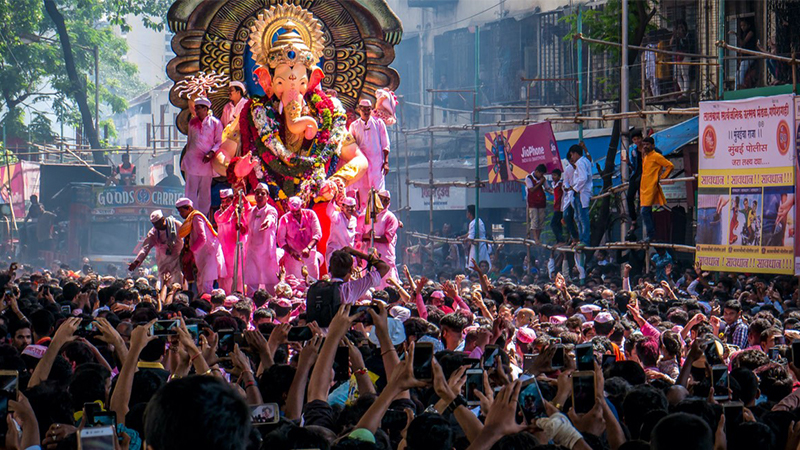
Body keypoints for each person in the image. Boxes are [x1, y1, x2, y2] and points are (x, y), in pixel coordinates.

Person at [181, 97, 222, 216]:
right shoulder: (192, 123)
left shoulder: (215, 123)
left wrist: (212, 152)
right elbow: (189, 141)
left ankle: (202, 217)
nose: (197, 111)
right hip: (192, 161)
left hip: (206, 162)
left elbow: (219, 141)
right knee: (190, 191)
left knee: (205, 192)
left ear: (206, 109)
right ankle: (191, 216)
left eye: (199, 108)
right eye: (196, 108)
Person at [176, 197, 226, 294]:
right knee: (201, 284)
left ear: (189, 209)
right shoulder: (192, 218)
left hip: (209, 254)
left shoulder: (196, 217)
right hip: (203, 256)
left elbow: (202, 238)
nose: (181, 215)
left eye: (182, 211)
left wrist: (190, 253)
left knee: (206, 286)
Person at [348, 98, 390, 210]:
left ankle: (379, 218)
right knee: (362, 193)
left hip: (377, 164)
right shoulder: (354, 126)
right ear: (359, 110)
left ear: (371, 110)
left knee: (378, 192)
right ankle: (363, 221)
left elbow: (385, 143)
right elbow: (350, 145)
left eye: (368, 109)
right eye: (363, 109)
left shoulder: (378, 123)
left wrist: (386, 162)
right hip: (362, 164)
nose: (366, 112)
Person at [242, 183, 280, 295]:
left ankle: (271, 308)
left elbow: (271, 218)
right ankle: (250, 308)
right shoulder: (251, 211)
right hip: (252, 252)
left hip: (266, 252)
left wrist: (267, 223)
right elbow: (247, 228)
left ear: (267, 197)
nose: (259, 195)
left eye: (262, 193)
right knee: (251, 283)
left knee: (270, 283)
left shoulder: (271, 210)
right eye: (257, 193)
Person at [128, 210, 184, 285]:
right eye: (154, 224)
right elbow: (145, 248)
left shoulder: (176, 225)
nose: (157, 226)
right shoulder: (153, 233)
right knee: (164, 285)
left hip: (178, 261)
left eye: (158, 223)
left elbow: (187, 236)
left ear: (163, 219)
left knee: (178, 283)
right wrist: (136, 262)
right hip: (163, 264)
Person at [278, 196, 322, 280]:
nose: (295, 214)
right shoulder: (284, 219)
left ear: (302, 206)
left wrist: (308, 248)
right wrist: (290, 251)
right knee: (294, 286)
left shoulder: (311, 214)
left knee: (312, 283)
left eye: (297, 211)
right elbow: (280, 240)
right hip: (293, 260)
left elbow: (318, 234)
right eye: (292, 212)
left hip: (310, 257)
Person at [360, 189, 398, 286]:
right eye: (382, 199)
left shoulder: (390, 217)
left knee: (386, 285)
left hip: (384, 257)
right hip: (368, 255)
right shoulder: (366, 215)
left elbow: (388, 238)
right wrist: (367, 236)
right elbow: (359, 235)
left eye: (387, 200)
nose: (384, 203)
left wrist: (372, 238)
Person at [639, 137, 673, 242]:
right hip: (644, 187)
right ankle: (651, 235)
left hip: (651, 187)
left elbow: (670, 166)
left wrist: (662, 177)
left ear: (653, 145)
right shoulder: (645, 157)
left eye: (647, 144)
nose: (645, 146)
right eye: (644, 144)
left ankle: (651, 234)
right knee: (646, 212)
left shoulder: (656, 156)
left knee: (644, 211)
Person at [214, 189, 246, 293]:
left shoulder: (238, 213)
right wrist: (232, 207)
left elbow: (246, 231)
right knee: (225, 285)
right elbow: (221, 220)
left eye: (228, 201)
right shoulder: (218, 214)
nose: (225, 204)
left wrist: (240, 224)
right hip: (223, 255)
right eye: (223, 201)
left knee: (239, 284)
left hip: (237, 254)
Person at [567, 144, 592, 245]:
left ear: (575, 153)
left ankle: (584, 240)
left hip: (581, 192)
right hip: (581, 192)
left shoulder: (580, 163)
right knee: (578, 217)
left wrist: (575, 188)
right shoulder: (585, 161)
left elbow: (583, 178)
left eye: (572, 155)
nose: (572, 158)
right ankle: (582, 238)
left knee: (582, 217)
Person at [325, 195, 358, 267]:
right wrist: (333, 198)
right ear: (342, 207)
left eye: (352, 206)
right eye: (347, 206)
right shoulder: (337, 216)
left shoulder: (354, 220)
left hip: (348, 254)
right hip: (335, 253)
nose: (350, 209)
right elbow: (329, 212)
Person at [525, 164, 547, 243]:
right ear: (537, 171)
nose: (542, 175)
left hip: (541, 202)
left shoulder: (543, 179)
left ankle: (538, 237)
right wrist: (540, 183)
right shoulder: (528, 178)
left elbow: (547, 188)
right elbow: (532, 189)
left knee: (541, 220)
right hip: (533, 203)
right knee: (535, 220)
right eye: (541, 173)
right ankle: (535, 237)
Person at [626, 129, 644, 228]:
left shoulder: (647, 149)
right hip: (636, 174)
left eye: (638, 139)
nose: (636, 141)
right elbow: (633, 166)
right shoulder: (633, 151)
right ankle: (633, 220)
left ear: (641, 138)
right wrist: (628, 162)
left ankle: (641, 214)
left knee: (642, 199)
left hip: (644, 175)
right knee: (629, 197)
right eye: (634, 139)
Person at [465, 204, 491, 269]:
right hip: (482, 246)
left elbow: (470, 237)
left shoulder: (473, 223)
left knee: (475, 265)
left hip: (478, 247)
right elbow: (470, 233)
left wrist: (465, 240)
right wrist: (461, 237)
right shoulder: (479, 221)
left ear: (469, 213)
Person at [736, 18, 757, 89]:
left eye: (744, 25)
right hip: (745, 58)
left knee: (742, 70)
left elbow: (743, 43)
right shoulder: (743, 34)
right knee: (737, 74)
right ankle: (736, 88)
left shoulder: (750, 32)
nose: (742, 27)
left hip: (750, 56)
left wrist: (736, 35)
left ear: (748, 25)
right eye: (741, 26)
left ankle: (741, 85)